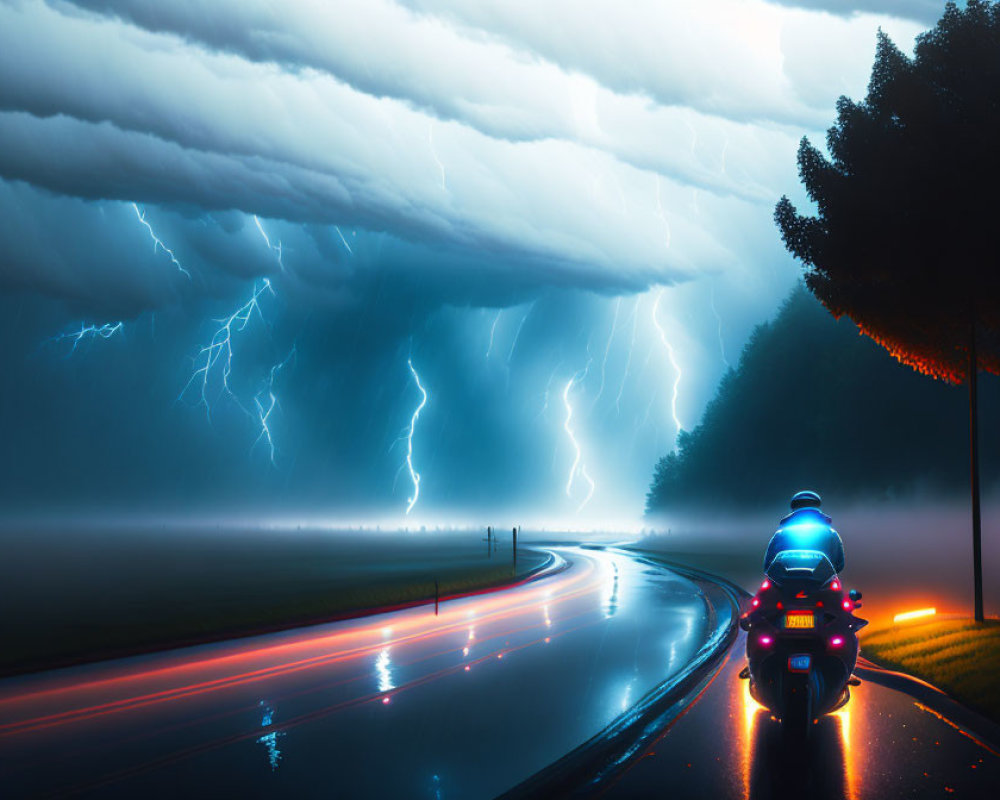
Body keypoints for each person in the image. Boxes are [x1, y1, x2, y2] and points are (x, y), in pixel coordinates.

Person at [763, 490, 845, 573]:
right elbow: (839, 564)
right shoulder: (831, 534)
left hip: (784, 583)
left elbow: (768, 565)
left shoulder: (781, 534)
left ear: (793, 509)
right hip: (821, 583)